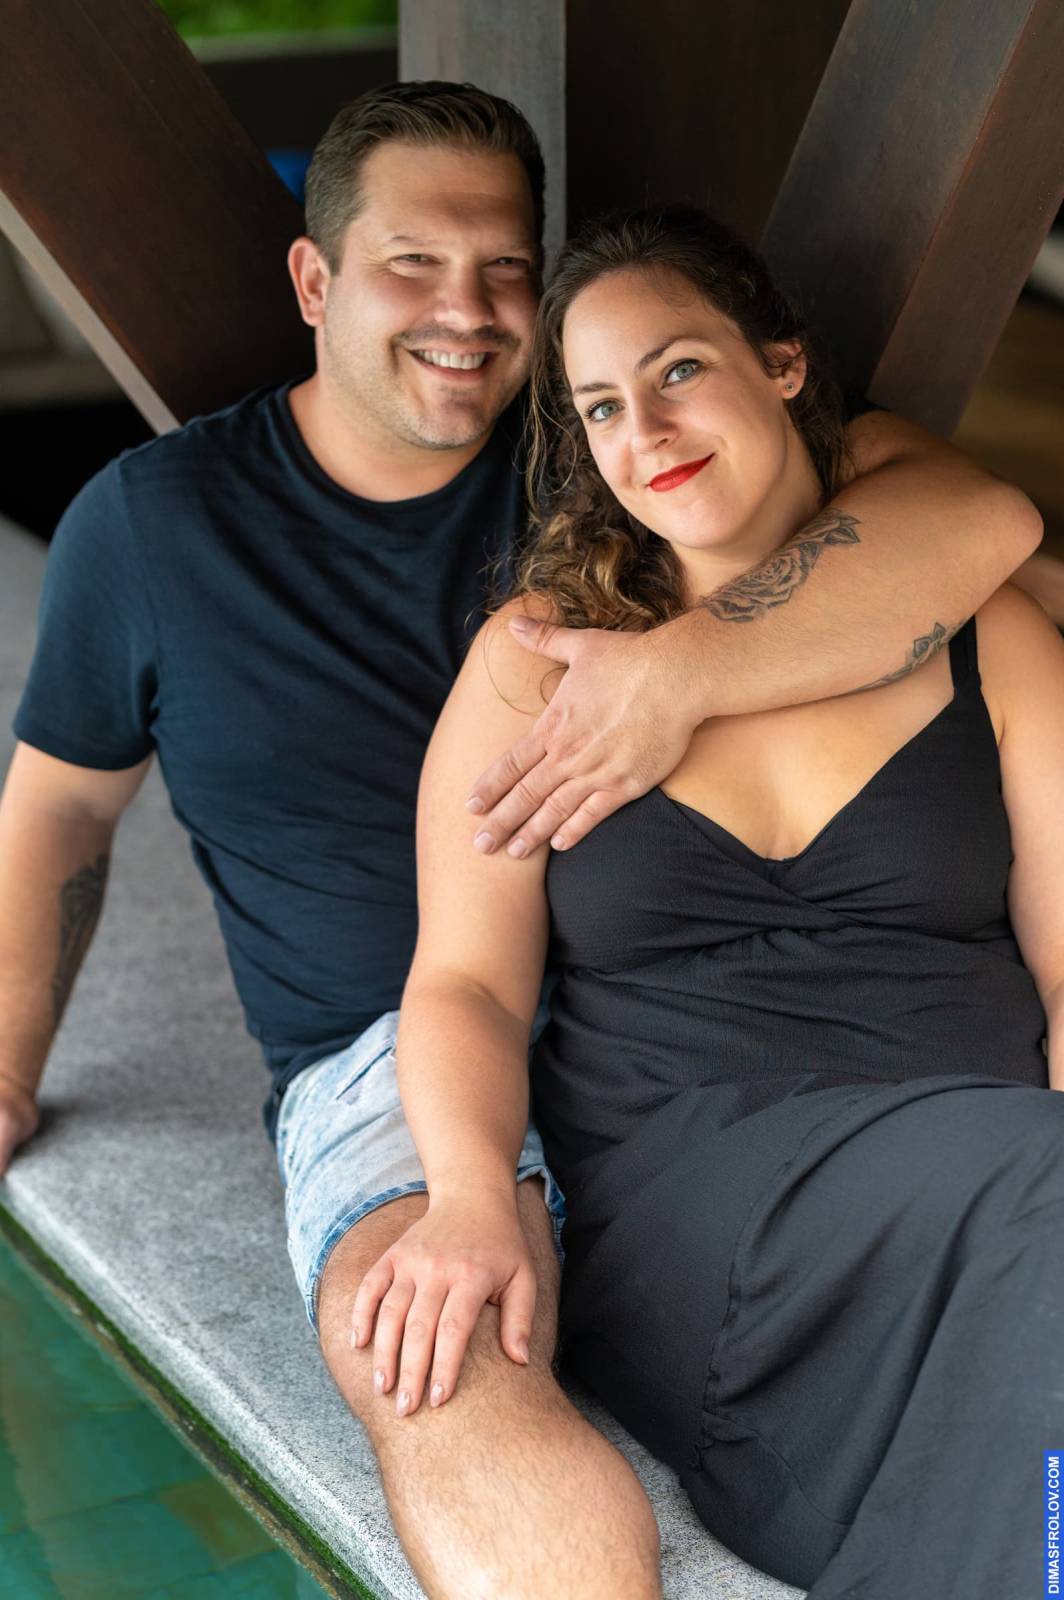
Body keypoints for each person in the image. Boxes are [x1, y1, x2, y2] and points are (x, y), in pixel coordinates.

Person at [0, 82, 1045, 1599]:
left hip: (672, 1020)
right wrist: (7, 1067)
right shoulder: (159, 525)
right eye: (413, 264)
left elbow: (973, 518)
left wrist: (685, 673)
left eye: (502, 268)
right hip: (403, 1045)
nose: (467, 311)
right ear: (315, 280)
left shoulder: (603, 460)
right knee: (440, 1353)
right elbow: (56, 815)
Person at [376, 205, 1064, 1599]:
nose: (647, 431)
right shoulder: (538, 665)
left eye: (679, 370)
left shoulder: (987, 630)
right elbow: (468, 983)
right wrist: (468, 1194)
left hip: (980, 1171)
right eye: (602, 407)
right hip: (694, 1199)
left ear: (784, 366)